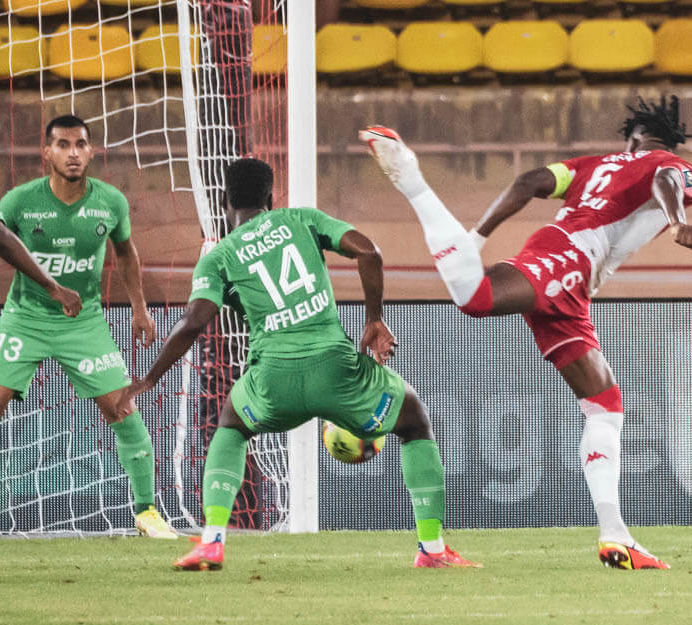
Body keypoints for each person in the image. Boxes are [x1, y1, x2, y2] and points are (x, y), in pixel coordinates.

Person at [360, 95, 692, 570]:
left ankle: (616, 535)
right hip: (570, 258)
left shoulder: (591, 165)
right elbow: (666, 178)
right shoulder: (676, 167)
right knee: (475, 298)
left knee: (605, 406)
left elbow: (529, 181)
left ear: (633, 138)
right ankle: (413, 181)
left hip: (570, 275)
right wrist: (679, 221)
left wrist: (477, 237)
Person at [116, 158, 479, 571]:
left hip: (274, 383)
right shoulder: (302, 219)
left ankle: (212, 541)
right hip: (337, 373)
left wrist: (150, 378)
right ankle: (432, 548)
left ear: (224, 201)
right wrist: (374, 319)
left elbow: (194, 321)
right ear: (271, 198)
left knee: (231, 423)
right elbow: (369, 252)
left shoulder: (219, 257)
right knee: (413, 421)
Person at [0, 115, 176, 538]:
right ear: (47, 153)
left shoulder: (111, 202)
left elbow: (126, 253)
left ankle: (147, 512)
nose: (73, 153)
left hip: (84, 322)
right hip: (25, 319)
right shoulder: (20, 201)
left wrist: (139, 308)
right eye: (62, 145)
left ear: (92, 151)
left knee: (122, 408)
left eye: (80, 144)